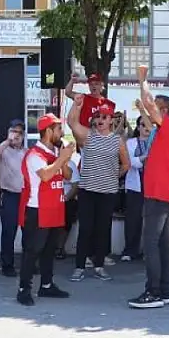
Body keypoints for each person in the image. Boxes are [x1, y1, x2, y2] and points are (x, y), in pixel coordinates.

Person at [128, 66, 169, 309]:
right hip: (164, 194)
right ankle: (164, 291)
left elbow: (148, 103)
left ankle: (153, 292)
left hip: (159, 195)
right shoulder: (167, 132)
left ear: (164, 111)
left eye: (156, 109)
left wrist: (143, 81)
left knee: (151, 243)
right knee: (162, 244)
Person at [16, 113, 75, 306]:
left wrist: (64, 158)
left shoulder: (55, 154)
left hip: (54, 208)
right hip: (37, 209)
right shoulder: (35, 154)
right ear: (48, 131)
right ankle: (24, 288)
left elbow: (67, 175)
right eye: (58, 129)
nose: (61, 133)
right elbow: (46, 176)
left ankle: (47, 285)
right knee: (32, 250)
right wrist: (61, 159)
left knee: (49, 250)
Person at [68, 97, 129, 281]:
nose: (100, 120)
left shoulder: (118, 141)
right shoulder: (88, 135)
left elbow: (126, 164)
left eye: (104, 117)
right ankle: (79, 266)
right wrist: (77, 105)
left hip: (108, 192)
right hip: (87, 191)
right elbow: (72, 122)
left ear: (111, 120)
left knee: (103, 229)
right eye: (98, 116)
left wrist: (112, 177)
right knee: (85, 229)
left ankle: (99, 265)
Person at [0, 120, 27, 276]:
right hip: (9, 195)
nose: (16, 135)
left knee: (29, 232)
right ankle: (7, 265)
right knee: (8, 232)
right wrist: (8, 140)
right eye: (14, 131)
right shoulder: (4, 150)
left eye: (19, 132)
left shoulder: (27, 152)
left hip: (26, 196)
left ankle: (29, 264)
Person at [121, 116, 152, 262]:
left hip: (153, 185)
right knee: (133, 219)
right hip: (135, 185)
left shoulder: (156, 142)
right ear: (138, 127)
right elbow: (129, 162)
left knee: (152, 220)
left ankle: (149, 252)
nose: (146, 128)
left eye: (148, 125)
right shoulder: (130, 143)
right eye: (143, 125)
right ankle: (130, 250)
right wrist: (143, 158)